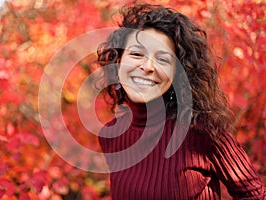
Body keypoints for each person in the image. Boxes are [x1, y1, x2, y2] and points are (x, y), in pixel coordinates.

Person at [96, 3, 265, 199]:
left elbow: (256, 195)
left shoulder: (202, 131)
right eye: (136, 54)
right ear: (118, 62)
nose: (147, 66)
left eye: (163, 59)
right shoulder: (110, 135)